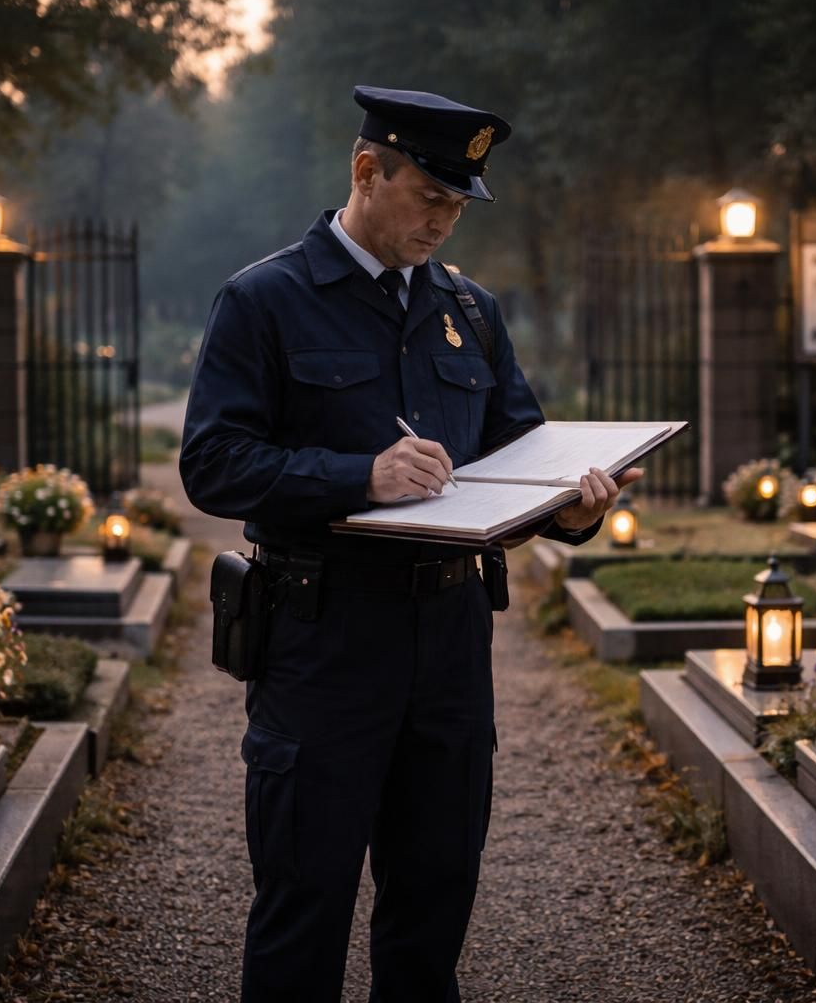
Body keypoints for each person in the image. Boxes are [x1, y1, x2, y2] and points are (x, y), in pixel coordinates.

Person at [180, 85, 642, 1001]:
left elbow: (523, 454)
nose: (444, 223)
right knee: (303, 906)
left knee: (434, 906)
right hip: (323, 640)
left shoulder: (470, 312)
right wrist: (360, 475)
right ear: (366, 171)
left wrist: (575, 509)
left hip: (451, 639)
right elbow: (214, 464)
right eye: (430, 198)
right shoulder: (265, 299)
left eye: (458, 207)